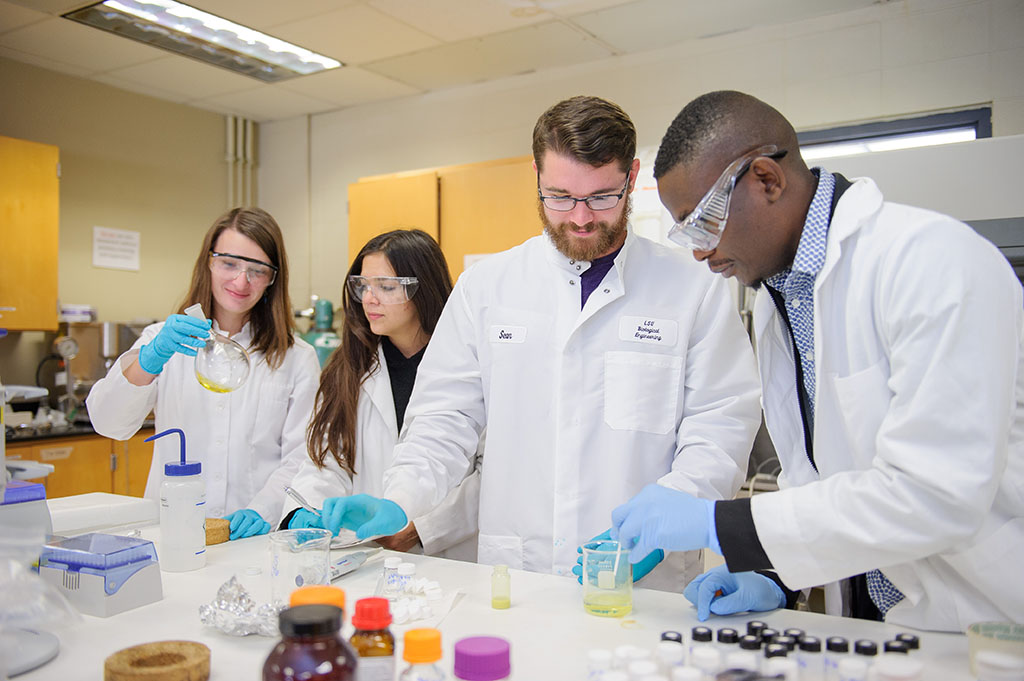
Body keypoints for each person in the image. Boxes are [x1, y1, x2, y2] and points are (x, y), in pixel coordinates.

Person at [611, 90, 1024, 631]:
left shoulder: (932, 263)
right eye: (685, 231)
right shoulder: (782, 303)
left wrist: (723, 524)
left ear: (767, 179)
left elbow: (933, 494)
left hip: (988, 623)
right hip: (886, 625)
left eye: (704, 220)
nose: (698, 251)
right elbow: (824, 485)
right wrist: (777, 577)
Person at [315, 95, 762, 591]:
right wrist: (401, 498)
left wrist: (667, 515)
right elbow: (445, 419)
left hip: (645, 580)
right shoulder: (487, 287)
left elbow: (720, 426)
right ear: (536, 176)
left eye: (601, 197)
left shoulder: (690, 286)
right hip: (518, 572)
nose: (580, 218)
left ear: (632, 177)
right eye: (560, 196)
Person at [88, 207, 321, 540]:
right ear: (208, 262)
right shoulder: (160, 341)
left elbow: (302, 455)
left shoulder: (297, 358)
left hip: (253, 539)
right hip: (170, 532)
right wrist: (151, 360)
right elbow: (109, 423)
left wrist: (264, 508)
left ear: (272, 279)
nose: (241, 281)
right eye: (229, 263)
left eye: (257, 270)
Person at [281, 229, 479, 560]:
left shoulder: (466, 367)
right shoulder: (348, 369)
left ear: (424, 289)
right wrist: (307, 511)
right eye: (363, 286)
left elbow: (487, 474)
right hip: (369, 556)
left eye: (386, 287)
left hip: (452, 556)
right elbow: (328, 461)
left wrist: (420, 528)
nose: (370, 298)